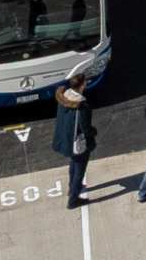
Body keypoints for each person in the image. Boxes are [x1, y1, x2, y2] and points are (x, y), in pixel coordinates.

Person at [52, 75, 95, 210]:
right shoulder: (82, 106)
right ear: (82, 85)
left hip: (66, 139)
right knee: (80, 168)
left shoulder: (64, 98)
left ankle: (72, 188)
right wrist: (94, 132)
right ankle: (73, 199)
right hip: (78, 142)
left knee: (73, 163)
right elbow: (85, 128)